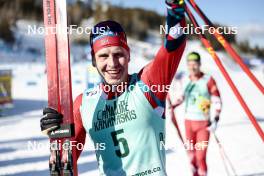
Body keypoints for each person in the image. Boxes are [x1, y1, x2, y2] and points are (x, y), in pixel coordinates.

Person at [40, 0, 186, 175]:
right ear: (94, 61)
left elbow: (174, 43)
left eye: (119, 54)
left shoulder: (148, 85)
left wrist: (175, 10)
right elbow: (68, 161)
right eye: (103, 56)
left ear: (129, 55)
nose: (112, 63)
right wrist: (57, 132)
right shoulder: (83, 103)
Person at [170, 52, 222, 176]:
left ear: (199, 64)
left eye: (195, 64)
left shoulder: (208, 80)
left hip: (203, 124)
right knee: (191, 156)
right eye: (190, 65)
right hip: (188, 123)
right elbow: (181, 97)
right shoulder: (186, 79)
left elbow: (217, 100)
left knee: (200, 156)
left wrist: (215, 119)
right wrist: (172, 106)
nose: (192, 67)